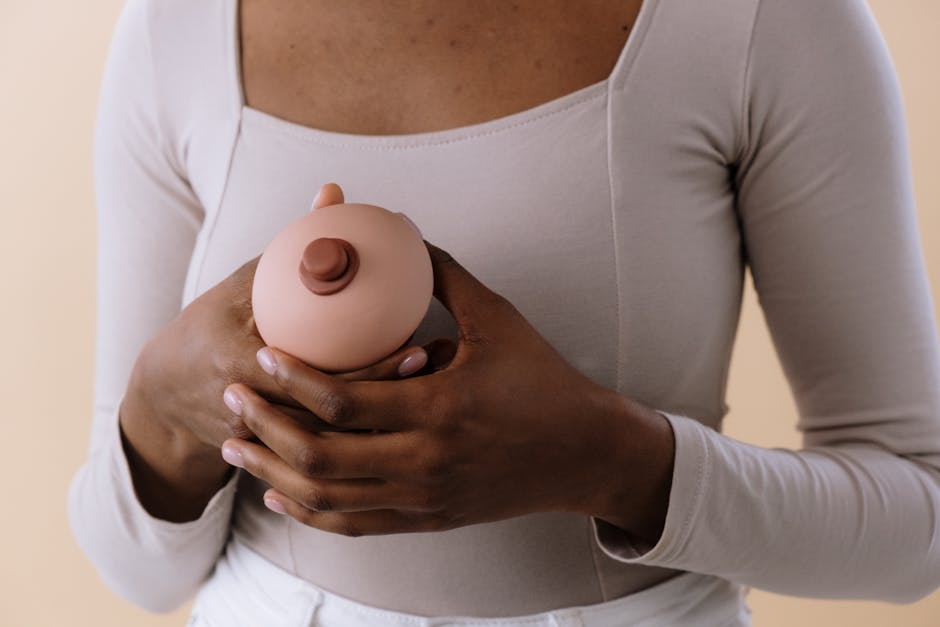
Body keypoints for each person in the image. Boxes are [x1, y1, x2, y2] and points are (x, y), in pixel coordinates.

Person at [68, 0, 940, 625]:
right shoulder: (174, 29)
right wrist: (159, 407)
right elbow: (139, 574)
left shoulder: (763, 21)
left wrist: (615, 462)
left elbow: (921, 522)